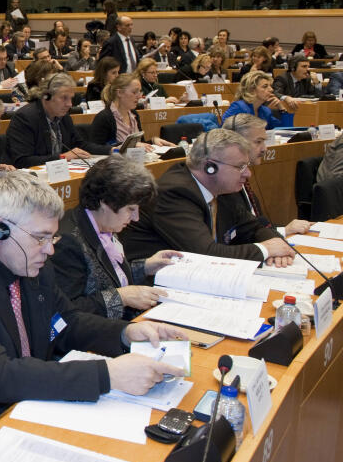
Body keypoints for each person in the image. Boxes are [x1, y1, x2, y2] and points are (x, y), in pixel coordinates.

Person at [0, 172, 186, 434]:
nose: (49, 250)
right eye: (40, 238)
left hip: (20, 401)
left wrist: (124, 333)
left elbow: (65, 323)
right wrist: (108, 375)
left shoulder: (31, 263)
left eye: (52, 238)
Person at [121, 129, 295, 265]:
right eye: (240, 167)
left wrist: (275, 247)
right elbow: (206, 254)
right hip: (151, 287)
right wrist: (265, 250)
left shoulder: (222, 188)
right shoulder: (174, 193)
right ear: (209, 167)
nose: (248, 174)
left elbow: (253, 228)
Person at [52, 156, 176, 319]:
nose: (135, 218)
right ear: (105, 202)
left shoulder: (106, 221)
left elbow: (105, 278)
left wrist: (144, 267)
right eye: (130, 209)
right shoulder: (68, 242)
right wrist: (122, 297)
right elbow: (67, 310)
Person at [219, 113, 312, 236]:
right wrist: (284, 231)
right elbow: (240, 233)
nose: (264, 149)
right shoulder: (225, 182)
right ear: (236, 142)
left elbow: (256, 224)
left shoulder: (242, 179)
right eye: (258, 142)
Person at [6, 72, 108, 167]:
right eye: (64, 98)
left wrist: (112, 150)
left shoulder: (63, 117)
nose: (70, 104)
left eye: (71, 98)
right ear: (46, 96)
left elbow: (80, 145)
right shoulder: (25, 118)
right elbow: (22, 161)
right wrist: (62, 157)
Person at [89, 74, 175, 150]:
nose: (139, 96)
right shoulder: (104, 117)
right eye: (134, 92)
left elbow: (140, 144)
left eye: (140, 91)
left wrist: (153, 141)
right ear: (119, 93)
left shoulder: (134, 114)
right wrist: (128, 146)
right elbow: (95, 148)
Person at [221, 70, 295, 129]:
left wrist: (282, 109)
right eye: (265, 86)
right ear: (252, 89)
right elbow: (223, 131)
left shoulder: (265, 111)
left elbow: (286, 131)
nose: (271, 90)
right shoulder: (238, 107)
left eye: (270, 86)